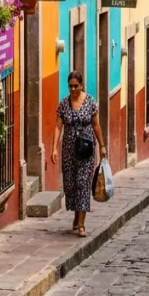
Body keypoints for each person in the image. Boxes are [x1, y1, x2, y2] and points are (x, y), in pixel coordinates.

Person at [53, 70, 106, 237]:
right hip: (69, 150)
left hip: (86, 149)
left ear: (82, 85)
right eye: (70, 86)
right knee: (70, 185)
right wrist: (54, 148)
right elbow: (58, 126)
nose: (73, 89)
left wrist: (102, 145)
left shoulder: (90, 102)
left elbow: (96, 125)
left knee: (83, 183)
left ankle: (81, 224)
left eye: (76, 86)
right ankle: (76, 216)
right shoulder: (63, 104)